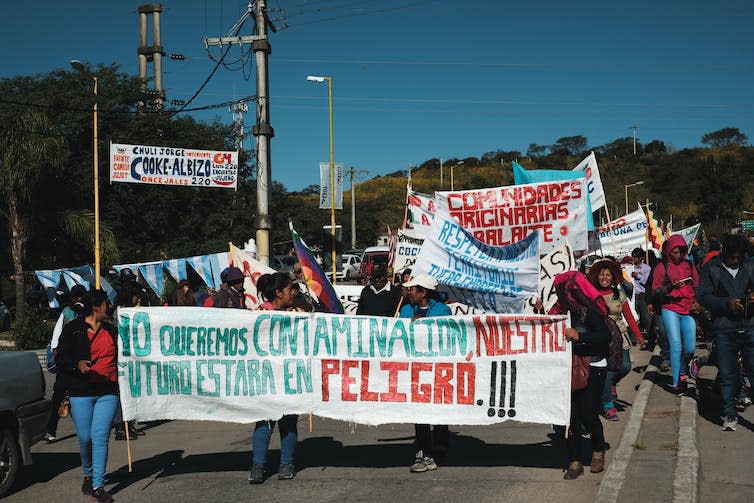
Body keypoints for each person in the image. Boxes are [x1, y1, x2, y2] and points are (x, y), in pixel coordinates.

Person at [55, 290, 118, 503]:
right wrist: (77, 364)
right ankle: (88, 474)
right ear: (96, 307)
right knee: (85, 437)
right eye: (106, 304)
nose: (109, 307)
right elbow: (60, 358)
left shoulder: (112, 331)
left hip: (107, 392)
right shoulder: (73, 330)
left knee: (100, 437)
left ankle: (98, 486)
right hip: (80, 392)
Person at [550, 271, 613, 480]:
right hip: (568, 367)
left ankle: (597, 449)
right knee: (571, 417)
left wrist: (579, 336)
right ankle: (574, 460)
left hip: (593, 366)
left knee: (588, 413)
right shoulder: (559, 311)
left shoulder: (589, 311)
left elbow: (604, 336)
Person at [697, 233, 754, 431]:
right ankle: (730, 415)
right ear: (724, 254)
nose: (735, 261)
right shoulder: (712, 268)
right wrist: (725, 303)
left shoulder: (749, 265)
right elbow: (703, 296)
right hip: (724, 328)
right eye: (732, 258)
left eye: (739, 258)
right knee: (728, 373)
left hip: (749, 326)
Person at [249, 272, 299, 484]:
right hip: (266, 378)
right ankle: (258, 465)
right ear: (278, 293)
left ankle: (286, 463)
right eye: (290, 289)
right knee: (264, 423)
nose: (294, 293)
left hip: (291, 377)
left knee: (288, 423)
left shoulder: (298, 312)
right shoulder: (259, 313)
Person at [399, 273, 452, 473]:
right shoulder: (405, 310)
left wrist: (421, 324)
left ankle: (439, 444)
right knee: (419, 412)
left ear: (423, 293)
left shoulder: (442, 310)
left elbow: (445, 332)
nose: (408, 292)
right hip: (415, 370)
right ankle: (424, 451)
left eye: (412, 289)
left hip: (437, 369)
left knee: (438, 411)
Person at [588, 259, 643, 421]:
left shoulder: (619, 294)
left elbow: (628, 316)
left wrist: (638, 335)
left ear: (613, 278)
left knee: (625, 367)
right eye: (602, 275)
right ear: (597, 277)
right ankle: (608, 406)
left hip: (620, 336)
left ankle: (610, 385)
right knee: (607, 371)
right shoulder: (591, 294)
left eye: (608, 275)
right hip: (601, 338)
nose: (605, 278)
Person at [651, 234, 701, 395]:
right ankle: (676, 382)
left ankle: (682, 370)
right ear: (669, 252)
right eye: (675, 252)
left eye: (681, 252)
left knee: (690, 348)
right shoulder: (661, 267)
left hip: (688, 309)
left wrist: (697, 301)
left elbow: (698, 284)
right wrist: (669, 288)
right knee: (675, 344)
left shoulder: (689, 264)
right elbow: (655, 290)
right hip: (670, 308)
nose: (678, 255)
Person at [45, 284, 87, 442]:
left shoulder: (83, 312)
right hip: (69, 360)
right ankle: (51, 428)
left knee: (70, 396)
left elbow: (56, 335)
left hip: (74, 360)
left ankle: (53, 429)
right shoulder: (68, 312)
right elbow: (57, 335)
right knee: (60, 395)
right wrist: (56, 352)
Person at [630, 248, 652, 341]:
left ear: (641, 258)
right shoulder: (630, 268)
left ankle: (651, 337)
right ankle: (634, 338)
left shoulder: (647, 268)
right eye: (633, 256)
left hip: (642, 296)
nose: (633, 258)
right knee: (633, 316)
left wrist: (637, 276)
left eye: (635, 257)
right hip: (632, 295)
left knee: (646, 317)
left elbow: (647, 281)